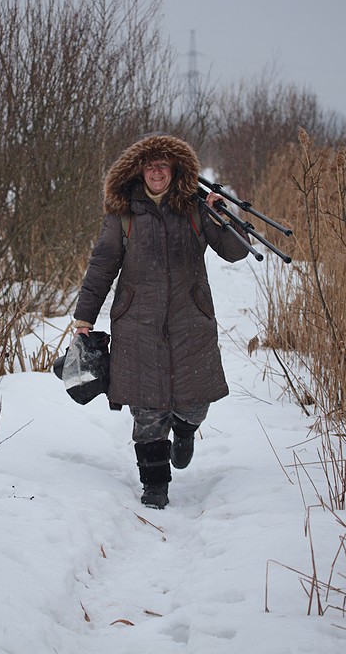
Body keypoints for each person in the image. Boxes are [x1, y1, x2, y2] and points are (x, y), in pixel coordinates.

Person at [73, 133, 250, 509]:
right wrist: (83, 319)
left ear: (174, 169)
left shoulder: (195, 208)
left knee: (195, 401)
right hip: (137, 324)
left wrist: (221, 216)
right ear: (140, 170)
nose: (156, 172)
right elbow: (101, 267)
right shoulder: (124, 213)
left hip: (191, 320)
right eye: (150, 166)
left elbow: (236, 252)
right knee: (146, 407)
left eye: (163, 165)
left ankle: (185, 431)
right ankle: (154, 486)